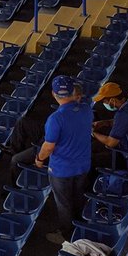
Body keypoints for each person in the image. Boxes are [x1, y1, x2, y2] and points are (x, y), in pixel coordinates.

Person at [36, 76, 93, 244]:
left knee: (64, 202)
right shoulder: (86, 109)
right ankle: (79, 225)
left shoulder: (55, 119)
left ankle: (66, 234)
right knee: (78, 196)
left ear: (54, 94)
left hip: (62, 170)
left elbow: (48, 147)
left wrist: (39, 159)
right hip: (83, 165)